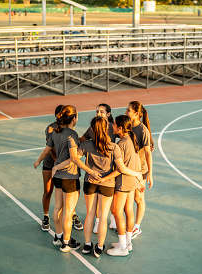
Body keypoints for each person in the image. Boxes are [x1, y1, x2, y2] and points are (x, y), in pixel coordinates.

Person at [54, 116, 143, 258]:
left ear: (92, 130)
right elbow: (120, 168)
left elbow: (74, 159)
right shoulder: (114, 147)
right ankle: (99, 247)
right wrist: (106, 178)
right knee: (103, 216)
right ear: (106, 129)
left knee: (90, 213)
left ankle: (87, 244)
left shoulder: (86, 145)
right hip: (107, 185)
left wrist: (89, 171)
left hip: (90, 182)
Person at [34, 105, 100, 253]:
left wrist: (38, 161)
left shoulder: (55, 132)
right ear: (74, 118)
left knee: (57, 208)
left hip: (57, 177)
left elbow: (46, 151)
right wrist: (90, 170)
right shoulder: (72, 135)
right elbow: (73, 159)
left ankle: (58, 236)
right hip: (69, 177)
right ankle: (66, 242)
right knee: (68, 211)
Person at [105, 115, 144, 256]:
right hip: (132, 181)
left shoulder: (120, 144)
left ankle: (122, 248)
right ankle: (127, 243)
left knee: (116, 211)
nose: (112, 126)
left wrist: (104, 178)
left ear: (120, 128)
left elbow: (120, 169)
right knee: (128, 210)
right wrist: (139, 177)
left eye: (114, 125)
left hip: (124, 182)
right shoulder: (131, 139)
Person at [79, 103, 117, 232]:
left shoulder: (113, 128)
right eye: (97, 111)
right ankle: (98, 221)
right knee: (96, 202)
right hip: (95, 170)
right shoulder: (92, 128)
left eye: (101, 112)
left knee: (112, 196)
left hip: (110, 170)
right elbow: (81, 139)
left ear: (108, 114)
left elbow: (124, 138)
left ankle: (113, 218)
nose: (98, 114)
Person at [126, 101, 153, 239]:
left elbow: (148, 153)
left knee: (139, 198)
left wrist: (150, 175)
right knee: (130, 199)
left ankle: (137, 227)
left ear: (136, 114)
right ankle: (130, 225)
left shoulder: (143, 130)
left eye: (128, 110)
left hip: (140, 171)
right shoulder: (128, 126)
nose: (126, 112)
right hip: (130, 169)